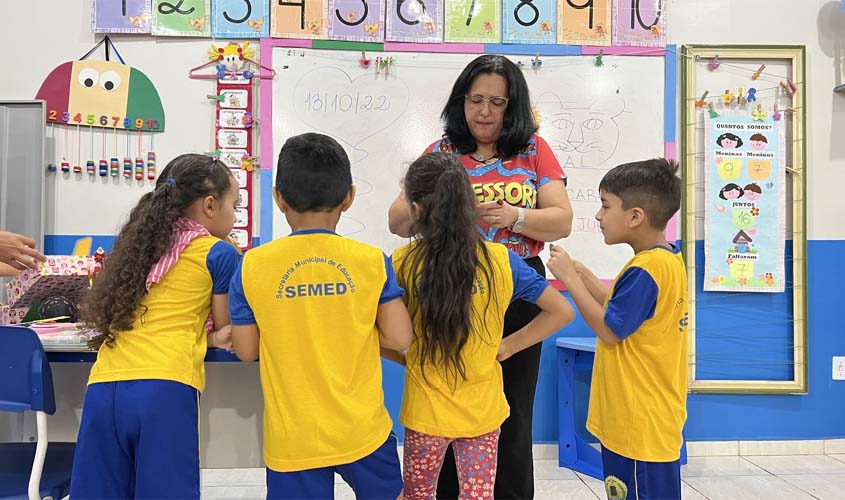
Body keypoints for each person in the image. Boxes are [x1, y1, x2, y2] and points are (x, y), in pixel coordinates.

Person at [388, 54, 573, 499]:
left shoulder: (534, 150)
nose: (484, 112)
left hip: (516, 287)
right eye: (475, 100)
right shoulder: (442, 152)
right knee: (442, 406)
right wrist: (453, 210)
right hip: (446, 282)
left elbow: (562, 220)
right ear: (461, 101)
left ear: (513, 106)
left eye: (497, 102)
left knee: (513, 413)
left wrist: (516, 217)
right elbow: (397, 219)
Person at [228, 132, 413, 500]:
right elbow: (399, 338)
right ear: (349, 196)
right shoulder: (371, 261)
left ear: (279, 198)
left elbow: (247, 351)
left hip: (293, 438)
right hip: (362, 429)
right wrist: (350, 328)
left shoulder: (252, 266)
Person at [70, 154, 241, 499]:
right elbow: (226, 330)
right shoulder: (218, 254)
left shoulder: (139, 248)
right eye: (234, 205)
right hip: (165, 387)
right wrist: (210, 337)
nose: (235, 216)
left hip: (103, 385)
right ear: (210, 205)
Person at [546, 158, 688, 500]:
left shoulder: (644, 270)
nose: (598, 216)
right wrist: (585, 276)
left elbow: (610, 330)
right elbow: (625, 311)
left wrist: (569, 280)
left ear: (635, 216)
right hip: (650, 416)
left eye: (606, 206)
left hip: (637, 422)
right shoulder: (665, 260)